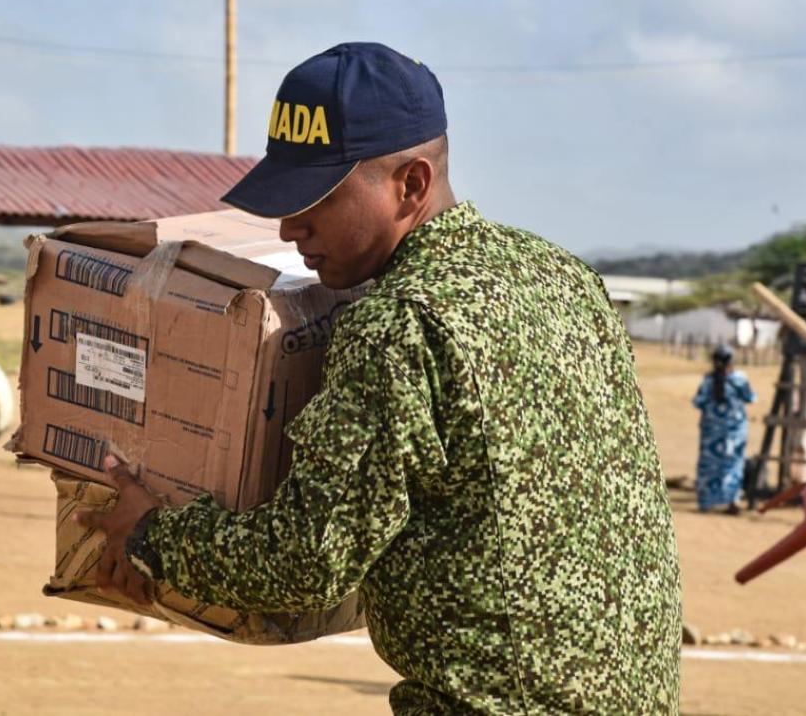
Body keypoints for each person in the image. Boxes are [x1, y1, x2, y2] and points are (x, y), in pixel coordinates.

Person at [79, 42, 681, 713]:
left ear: (412, 185)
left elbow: (307, 559)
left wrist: (149, 535)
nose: (289, 226)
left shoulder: (399, 323)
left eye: (317, 199)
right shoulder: (561, 276)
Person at [691, 344, 755, 514]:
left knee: (709, 465)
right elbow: (750, 397)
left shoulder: (707, 381)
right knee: (733, 466)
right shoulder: (740, 379)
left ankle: (705, 502)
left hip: (711, 432)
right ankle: (731, 502)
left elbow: (698, 402)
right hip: (735, 431)